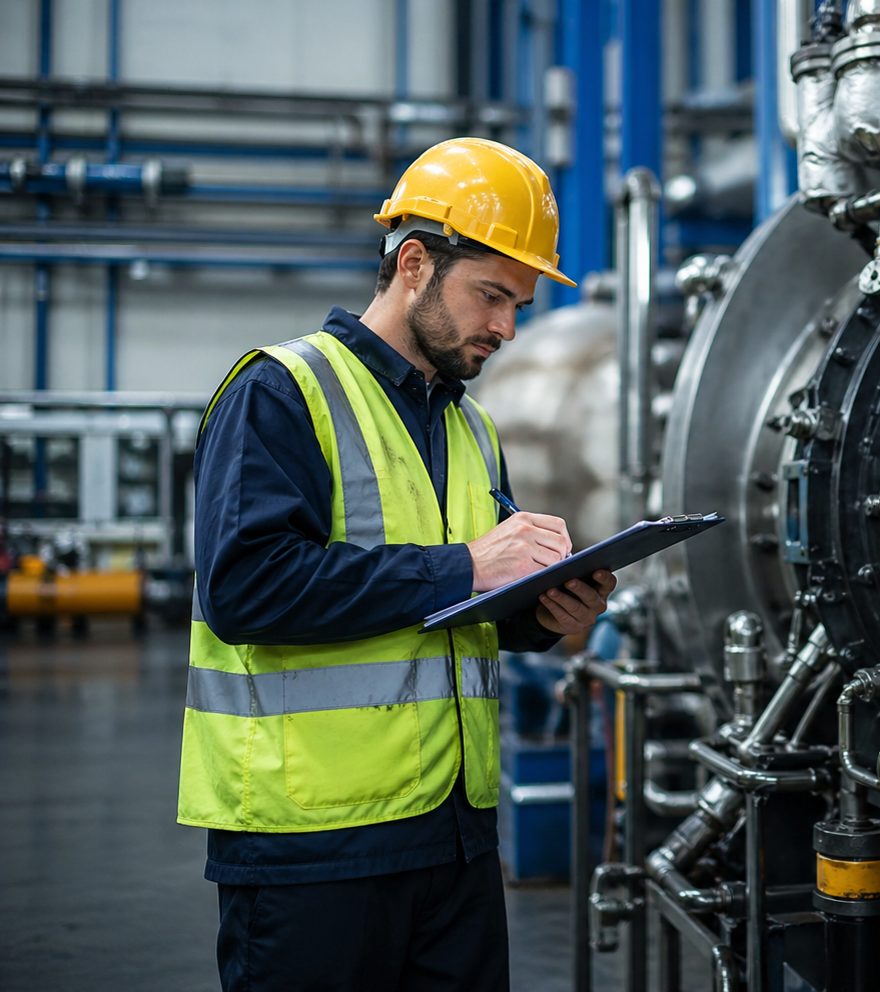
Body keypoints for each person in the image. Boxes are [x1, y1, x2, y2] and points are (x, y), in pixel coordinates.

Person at [176, 136, 615, 991]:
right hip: (314, 844)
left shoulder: (468, 426)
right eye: (491, 295)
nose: (506, 328)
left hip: (454, 837)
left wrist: (540, 613)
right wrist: (464, 567)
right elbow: (244, 589)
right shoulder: (281, 392)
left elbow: (462, 606)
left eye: (518, 305)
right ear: (414, 263)